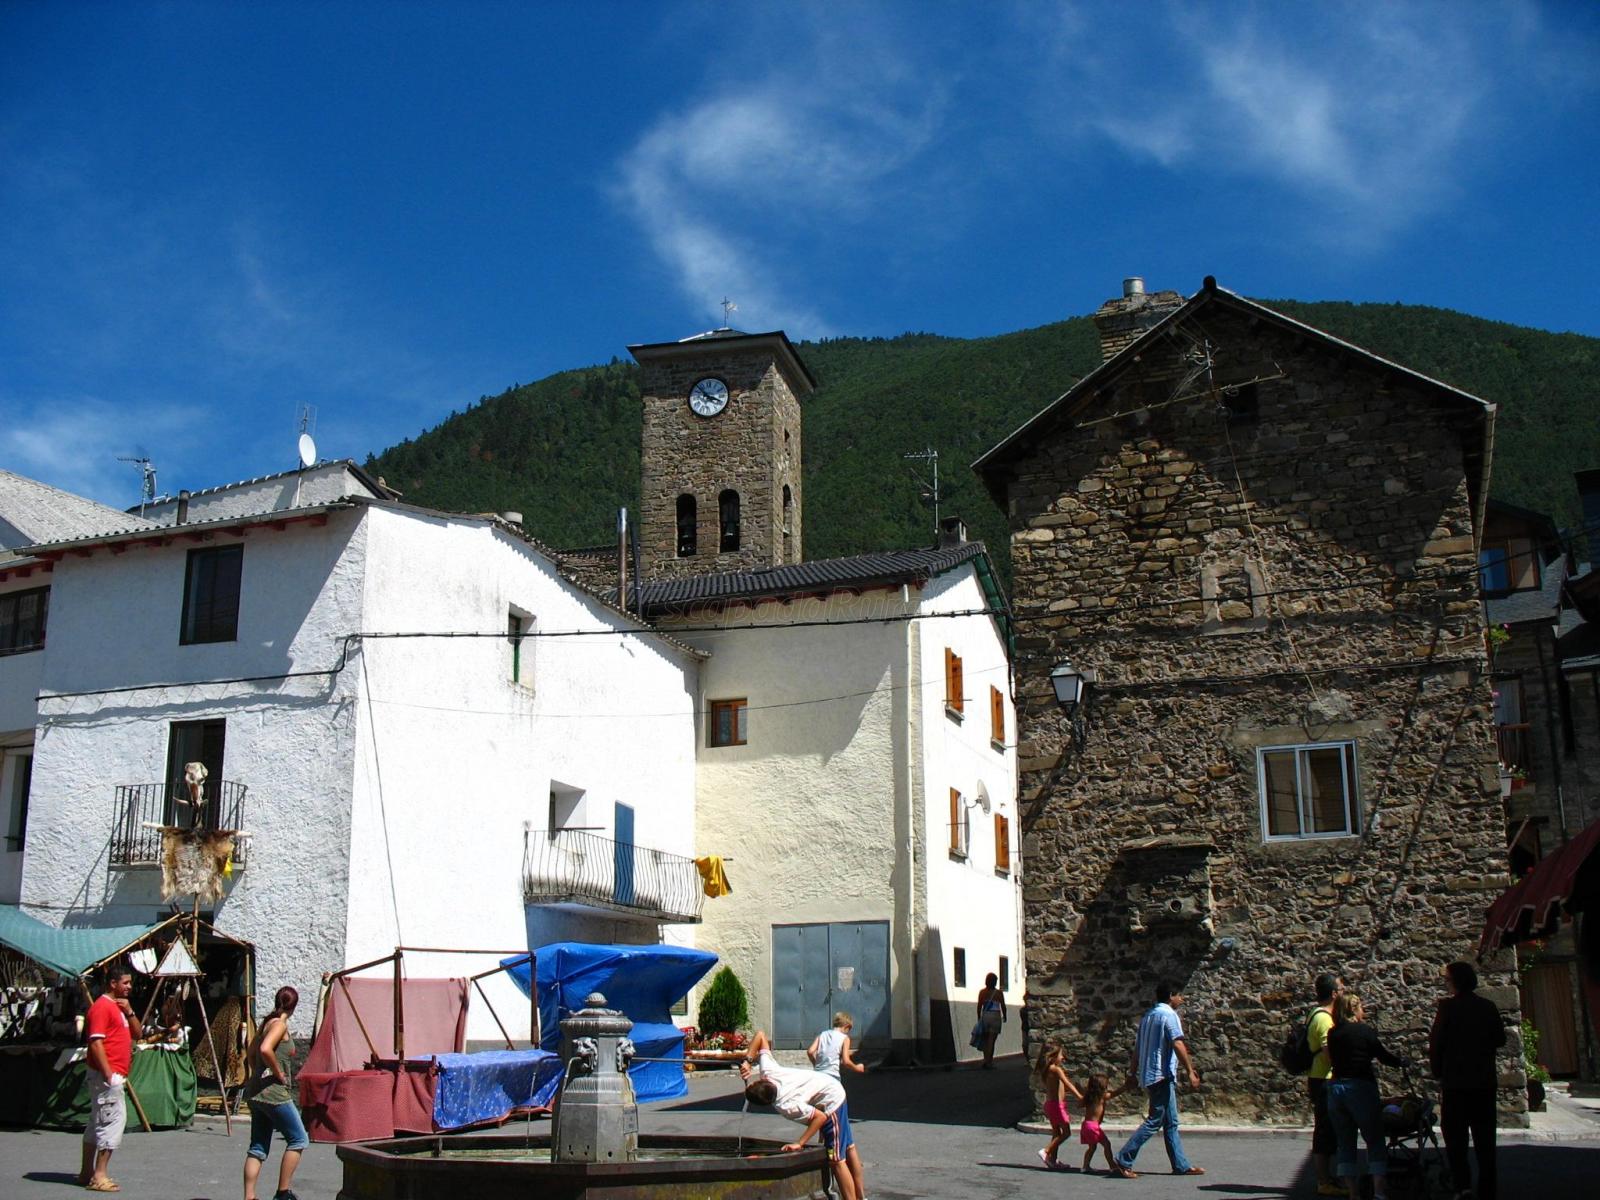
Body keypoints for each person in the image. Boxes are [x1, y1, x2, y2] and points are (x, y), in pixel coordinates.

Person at [741, 1029, 866, 1200]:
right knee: (848, 1147)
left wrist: (800, 1143)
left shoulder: (786, 1105)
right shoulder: (769, 1072)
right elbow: (761, 1036)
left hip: (831, 1101)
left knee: (836, 1160)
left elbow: (820, 1118)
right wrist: (749, 1061)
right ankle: (860, 1196)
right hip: (831, 1087)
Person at [1429, 961, 1506, 1200]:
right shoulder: (1488, 1006)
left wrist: (1438, 1071)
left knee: (1456, 1139)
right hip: (1483, 1082)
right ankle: (1487, 1188)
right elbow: (1500, 1039)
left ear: (1456, 982)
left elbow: (1436, 1043)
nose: (1446, 984)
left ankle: (1463, 1186)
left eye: (1448, 980)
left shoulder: (1448, 1009)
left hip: (1456, 1084)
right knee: (1485, 1140)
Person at [1111, 982, 1203, 1179]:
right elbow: (1177, 1043)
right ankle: (1123, 1159)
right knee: (1155, 1121)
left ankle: (1181, 1164)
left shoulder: (1148, 1017)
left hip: (1150, 1074)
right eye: (1180, 995)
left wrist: (1132, 1073)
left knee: (1171, 1122)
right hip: (1162, 1075)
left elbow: (1137, 1049)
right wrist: (1190, 1071)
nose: (1182, 999)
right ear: (1171, 996)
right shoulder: (1169, 1016)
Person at [1326, 991, 1406, 1200]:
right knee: (1374, 1139)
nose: (1363, 1011)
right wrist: (1401, 1063)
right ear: (1354, 1009)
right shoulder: (1364, 1031)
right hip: (1360, 1087)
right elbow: (1382, 1055)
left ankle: (1353, 1193)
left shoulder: (1334, 1034)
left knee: (1345, 1142)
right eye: (1361, 1007)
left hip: (1336, 1089)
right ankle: (1378, 1190)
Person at [79, 963, 141, 1193]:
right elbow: (95, 1042)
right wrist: (109, 1074)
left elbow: (138, 1033)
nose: (129, 987)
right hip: (107, 1075)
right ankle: (99, 1175)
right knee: (111, 1122)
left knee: (97, 1123)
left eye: (130, 982)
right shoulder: (101, 1008)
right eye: (125, 982)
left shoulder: (119, 1008)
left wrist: (130, 1010)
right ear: (112, 983)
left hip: (113, 1074)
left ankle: (87, 1172)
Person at [243, 986, 309, 1200]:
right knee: (299, 1138)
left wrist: (256, 1073)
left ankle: (249, 1196)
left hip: (256, 1092)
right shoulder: (279, 1024)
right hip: (274, 1093)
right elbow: (264, 1050)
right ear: (294, 1006)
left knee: (258, 1145)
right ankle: (283, 1192)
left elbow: (251, 1052)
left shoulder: (266, 1023)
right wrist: (278, 1072)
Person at [1307, 973, 1346, 1197]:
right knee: (1325, 1129)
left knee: (1329, 1128)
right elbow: (1328, 1051)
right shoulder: (1323, 1019)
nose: (1343, 992)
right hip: (1324, 1078)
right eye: (1340, 989)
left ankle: (1327, 1177)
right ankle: (1323, 1180)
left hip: (1322, 1077)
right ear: (1333, 993)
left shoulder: (1320, 1015)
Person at [1033, 1040, 1082, 1170]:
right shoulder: (1056, 1069)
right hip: (1057, 1106)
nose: (1063, 1057)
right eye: (1061, 1055)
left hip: (1050, 1105)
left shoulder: (1046, 1070)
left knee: (1056, 1133)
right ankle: (1046, 1151)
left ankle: (1052, 1160)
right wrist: (1080, 1097)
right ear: (1053, 1056)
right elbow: (1068, 1084)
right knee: (1066, 1132)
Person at [1079, 1073, 1121, 1173]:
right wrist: (1125, 1087)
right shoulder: (1102, 1097)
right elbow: (1115, 1093)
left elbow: (1080, 1103)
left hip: (1086, 1125)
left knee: (1092, 1147)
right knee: (1107, 1144)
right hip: (1094, 1126)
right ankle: (1112, 1165)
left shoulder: (1089, 1097)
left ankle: (1085, 1166)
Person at [808, 1011, 867, 1081]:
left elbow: (810, 1051)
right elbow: (846, 1061)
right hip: (832, 1076)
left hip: (818, 1074)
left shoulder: (822, 1035)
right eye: (849, 1029)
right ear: (846, 1026)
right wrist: (857, 1068)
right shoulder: (844, 1038)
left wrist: (816, 1065)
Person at [976, 971, 1006, 1068]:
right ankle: (990, 1061)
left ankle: (985, 1060)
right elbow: (1003, 1005)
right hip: (995, 1016)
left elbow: (979, 1006)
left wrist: (979, 1017)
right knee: (991, 1040)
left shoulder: (982, 992)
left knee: (985, 1039)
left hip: (985, 1015)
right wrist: (1005, 1016)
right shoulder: (999, 993)